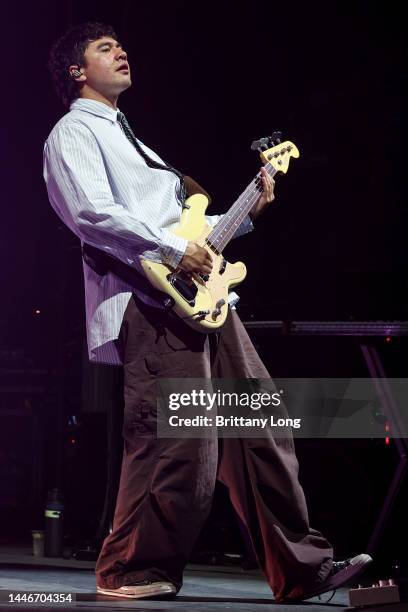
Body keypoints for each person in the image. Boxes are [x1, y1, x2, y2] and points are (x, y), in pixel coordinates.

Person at [43, 21, 372, 604]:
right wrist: (174, 249)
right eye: (104, 48)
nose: (122, 51)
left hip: (208, 301)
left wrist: (249, 209)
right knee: (177, 441)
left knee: (261, 428)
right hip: (150, 301)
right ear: (76, 72)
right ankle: (131, 568)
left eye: (121, 45)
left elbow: (194, 234)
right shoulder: (74, 131)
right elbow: (90, 213)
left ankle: (302, 568)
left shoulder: (133, 140)